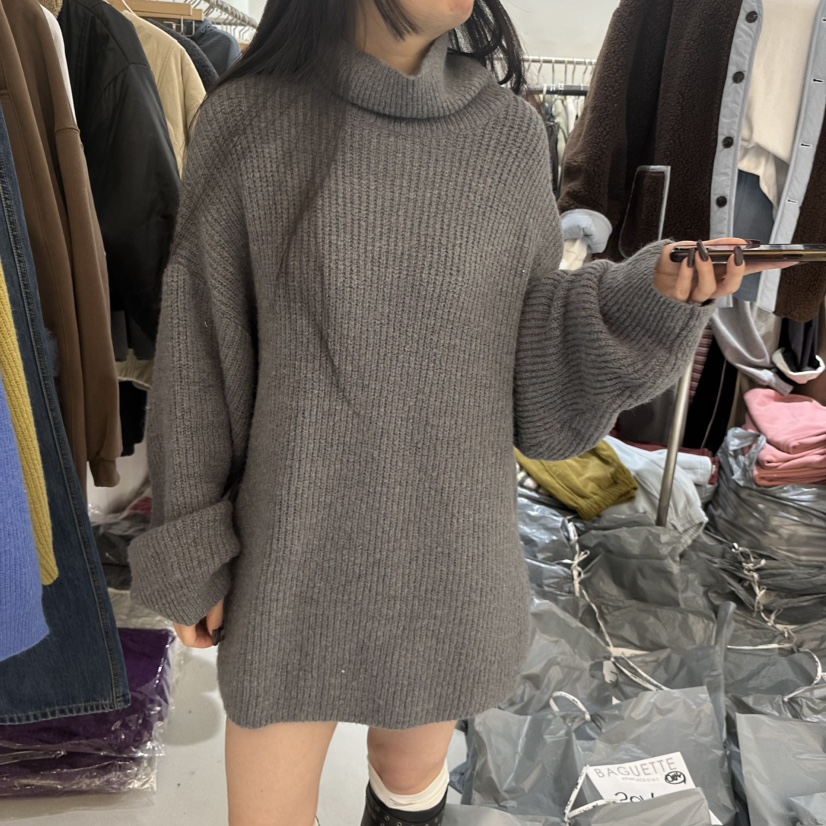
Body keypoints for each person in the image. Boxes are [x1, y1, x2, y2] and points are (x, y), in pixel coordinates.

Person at [127, 2, 789, 824]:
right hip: (293, 555)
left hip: (449, 555)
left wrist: (640, 297)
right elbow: (200, 357)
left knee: (411, 787)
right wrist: (193, 545)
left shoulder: (506, 135)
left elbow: (529, 357)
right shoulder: (251, 123)